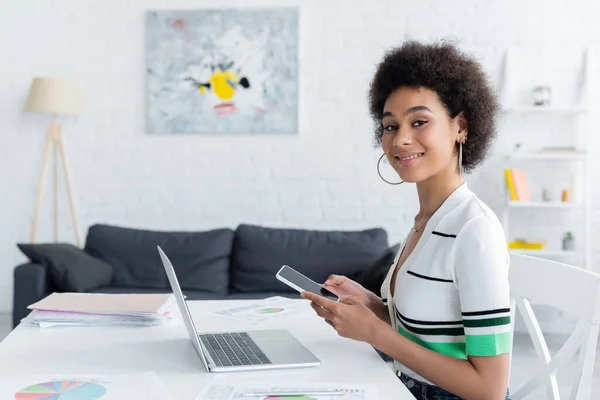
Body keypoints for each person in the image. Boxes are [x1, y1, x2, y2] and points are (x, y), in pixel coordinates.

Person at [301, 39, 512, 400]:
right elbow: (432, 338)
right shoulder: (426, 222)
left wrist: (375, 334)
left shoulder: (474, 231)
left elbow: (489, 389)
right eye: (389, 126)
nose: (401, 140)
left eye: (419, 122)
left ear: (460, 126)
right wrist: (374, 307)